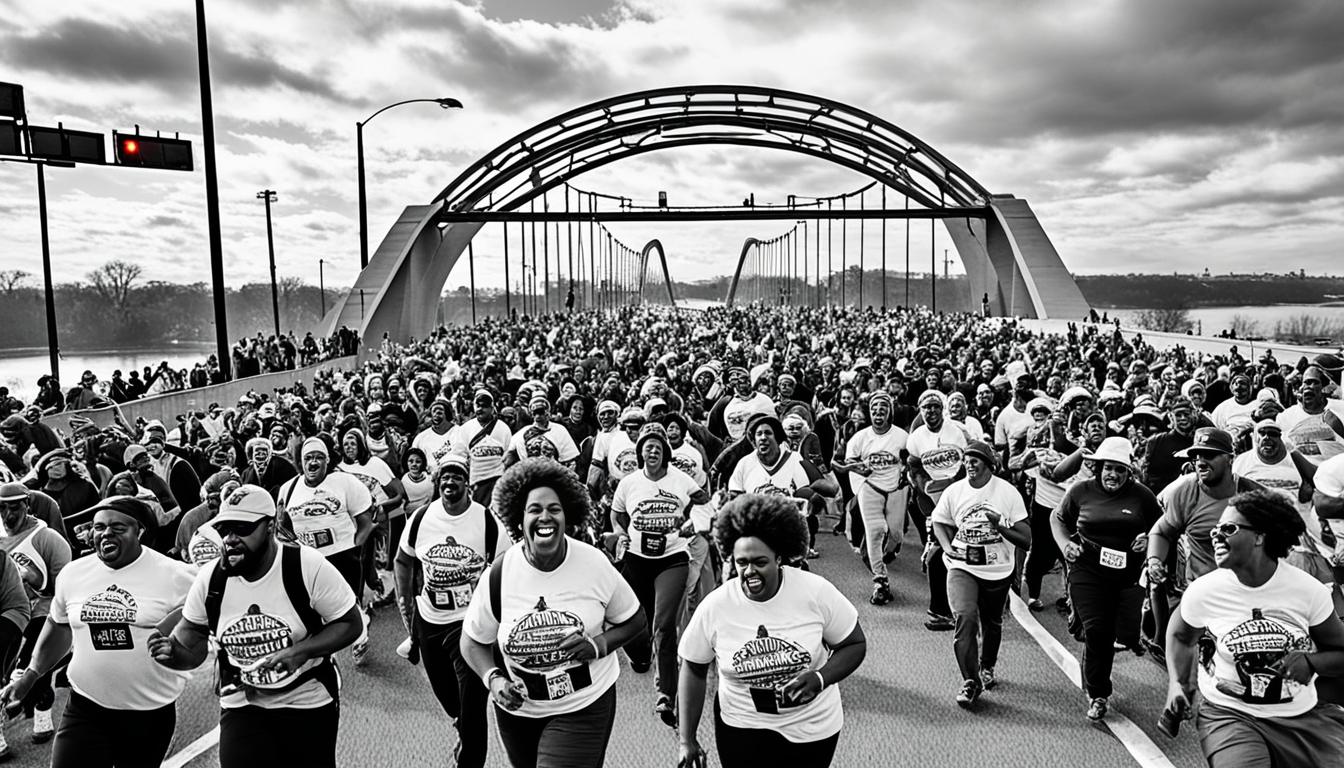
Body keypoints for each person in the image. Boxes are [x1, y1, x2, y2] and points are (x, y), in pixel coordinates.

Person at [150, 485, 362, 768]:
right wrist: (174, 655)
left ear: (271, 526)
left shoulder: (306, 566)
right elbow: (192, 642)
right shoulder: (211, 579)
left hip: (306, 696)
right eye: (225, 529)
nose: (231, 539)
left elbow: (350, 623)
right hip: (243, 700)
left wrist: (301, 651)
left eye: (243, 528)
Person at [460, 458, 645, 768]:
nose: (545, 516)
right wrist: (493, 679)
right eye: (534, 509)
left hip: (583, 703)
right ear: (518, 519)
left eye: (554, 509)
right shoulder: (500, 574)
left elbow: (635, 619)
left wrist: (597, 645)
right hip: (519, 711)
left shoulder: (593, 563)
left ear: (567, 515)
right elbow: (472, 641)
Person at [0, 496, 194, 768]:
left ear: (139, 531)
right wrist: (30, 676)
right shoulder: (74, 574)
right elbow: (58, 627)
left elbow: (201, 632)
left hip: (148, 713)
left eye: (118, 527)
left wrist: (180, 651)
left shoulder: (179, 577)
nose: (105, 534)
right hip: (85, 708)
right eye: (98, 527)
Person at [677, 494, 867, 767]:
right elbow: (693, 667)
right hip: (742, 727)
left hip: (811, 729)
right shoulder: (717, 605)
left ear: (779, 558)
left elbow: (854, 644)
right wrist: (687, 739)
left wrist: (820, 678)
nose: (749, 571)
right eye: (742, 562)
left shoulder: (815, 591)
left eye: (760, 562)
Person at [1162, 489, 1344, 767]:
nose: (1216, 535)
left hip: (1300, 717)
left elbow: (1340, 651)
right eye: (1215, 530)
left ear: (1260, 536)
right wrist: (1178, 684)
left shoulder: (1307, 591)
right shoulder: (1205, 591)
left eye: (1229, 528)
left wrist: (1311, 661)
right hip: (1229, 714)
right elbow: (1180, 637)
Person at [394, 456, 508, 768]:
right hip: (430, 621)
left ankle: (469, 756)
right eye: (445, 476)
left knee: (472, 709)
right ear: (437, 481)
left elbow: (507, 570)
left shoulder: (486, 521)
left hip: (471, 626)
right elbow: (403, 561)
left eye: (457, 476)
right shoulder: (420, 519)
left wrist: (499, 618)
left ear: (467, 483)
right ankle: (461, 723)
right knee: (449, 699)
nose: (450, 482)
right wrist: (405, 606)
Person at [1050, 437, 1162, 722]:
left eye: (1120, 470)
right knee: (1098, 631)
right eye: (1108, 468)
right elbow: (1058, 519)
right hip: (1088, 568)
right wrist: (1065, 545)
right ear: (1098, 468)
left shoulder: (1142, 496)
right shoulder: (1080, 491)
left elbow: (1162, 528)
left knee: (1124, 634)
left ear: (1129, 473)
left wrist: (1149, 540)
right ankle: (1099, 694)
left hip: (1127, 573)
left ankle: (1091, 627)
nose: (1113, 475)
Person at [610, 423, 708, 726]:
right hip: (637, 559)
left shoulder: (682, 480)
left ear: (665, 452)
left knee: (664, 627)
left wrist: (693, 522)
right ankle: (640, 655)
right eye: (645, 446)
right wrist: (619, 532)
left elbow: (704, 504)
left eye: (657, 446)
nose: (651, 450)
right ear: (639, 453)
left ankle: (666, 695)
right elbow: (617, 514)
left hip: (672, 558)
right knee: (632, 620)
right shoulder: (629, 483)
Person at [1145, 428, 1263, 660]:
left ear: (1230, 458)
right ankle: (1160, 639)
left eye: (1209, 455)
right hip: (1202, 589)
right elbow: (1160, 532)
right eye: (1197, 455)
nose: (1200, 461)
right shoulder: (1184, 491)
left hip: (1247, 590)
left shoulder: (1253, 493)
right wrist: (1154, 560)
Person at [930, 440, 1031, 707]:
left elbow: (1026, 539)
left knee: (992, 622)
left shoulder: (1008, 493)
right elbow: (939, 521)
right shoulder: (954, 491)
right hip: (962, 565)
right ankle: (970, 681)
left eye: (975, 459)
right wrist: (946, 547)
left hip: (997, 568)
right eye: (966, 459)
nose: (969, 464)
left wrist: (1000, 527)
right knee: (965, 617)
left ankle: (987, 665)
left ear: (989, 464)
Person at [276, 437, 375, 664]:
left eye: (319, 458)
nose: (313, 463)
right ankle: (319, 652)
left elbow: (366, 520)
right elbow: (282, 527)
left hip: (342, 555)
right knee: (314, 606)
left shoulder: (345, 482)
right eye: (308, 458)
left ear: (327, 461)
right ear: (301, 462)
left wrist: (355, 545)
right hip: (308, 558)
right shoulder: (287, 489)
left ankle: (360, 637)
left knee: (348, 602)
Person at [0, 482, 72, 746]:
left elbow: (65, 587)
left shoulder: (48, 539)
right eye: (2, 508)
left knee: (33, 662)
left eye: (14, 507)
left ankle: (42, 707)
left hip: (42, 609)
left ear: (27, 505)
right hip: (7, 609)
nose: (8, 515)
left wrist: (33, 579)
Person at [834, 391, 909, 605]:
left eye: (883, 408)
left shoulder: (901, 436)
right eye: (874, 409)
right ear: (870, 413)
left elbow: (910, 460)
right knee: (875, 532)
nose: (878, 412)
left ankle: (884, 555)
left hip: (895, 488)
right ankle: (880, 581)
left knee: (895, 533)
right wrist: (859, 470)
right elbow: (847, 463)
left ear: (889, 412)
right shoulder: (861, 437)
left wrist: (906, 475)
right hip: (871, 487)